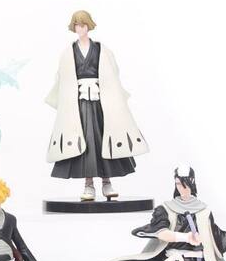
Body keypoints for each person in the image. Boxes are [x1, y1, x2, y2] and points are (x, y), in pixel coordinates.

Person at [46, 10, 149, 200]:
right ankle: (88, 184)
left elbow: (113, 73)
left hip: (101, 103)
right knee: (85, 141)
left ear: (89, 25)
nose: (80, 28)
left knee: (104, 138)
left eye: (83, 24)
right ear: (74, 27)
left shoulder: (102, 50)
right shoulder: (68, 52)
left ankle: (107, 182)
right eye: (77, 25)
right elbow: (62, 78)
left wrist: (110, 93)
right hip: (79, 104)